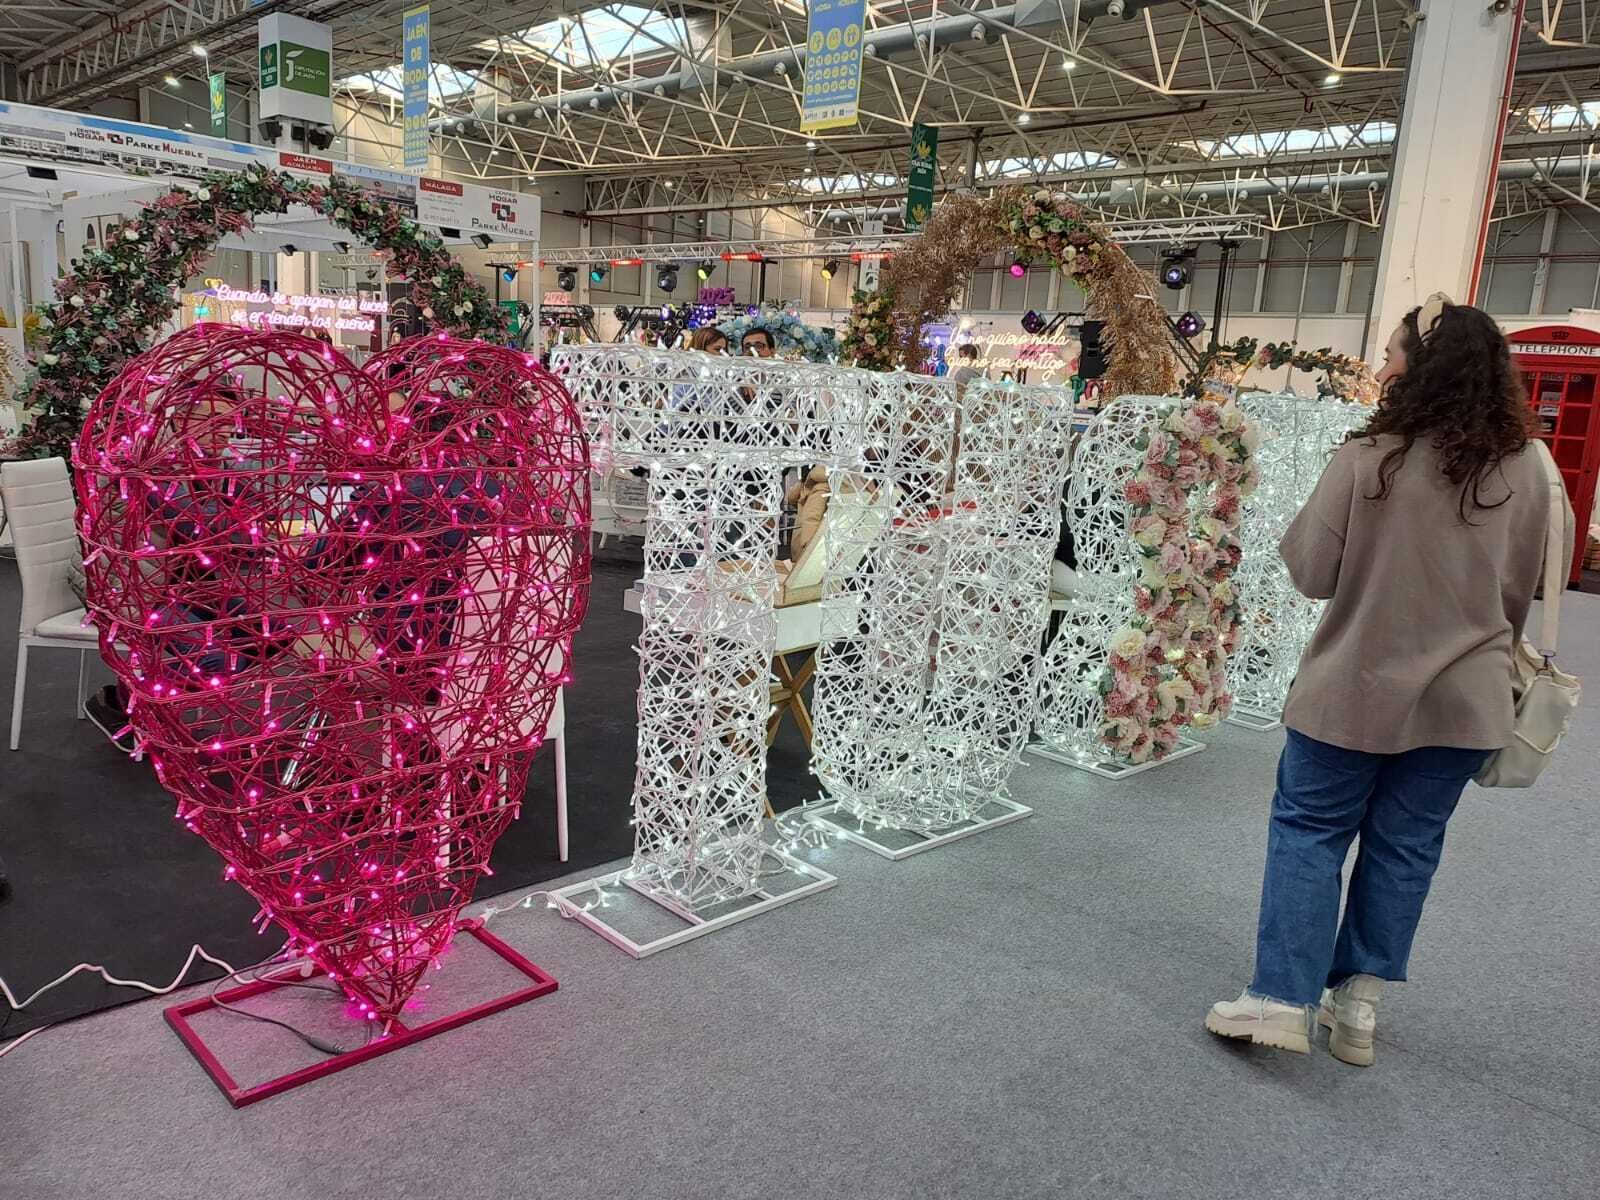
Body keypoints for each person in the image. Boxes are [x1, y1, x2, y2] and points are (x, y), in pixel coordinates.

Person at [1206, 295, 1575, 1065]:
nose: (1381, 367)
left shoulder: (1366, 458)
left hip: (1355, 685)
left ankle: (1280, 999)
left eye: (1392, 353)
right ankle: (1358, 1006)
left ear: (1422, 368)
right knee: (1406, 848)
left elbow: (1310, 572)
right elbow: (1524, 590)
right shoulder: (1528, 470)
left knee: (1309, 831)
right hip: (1467, 696)